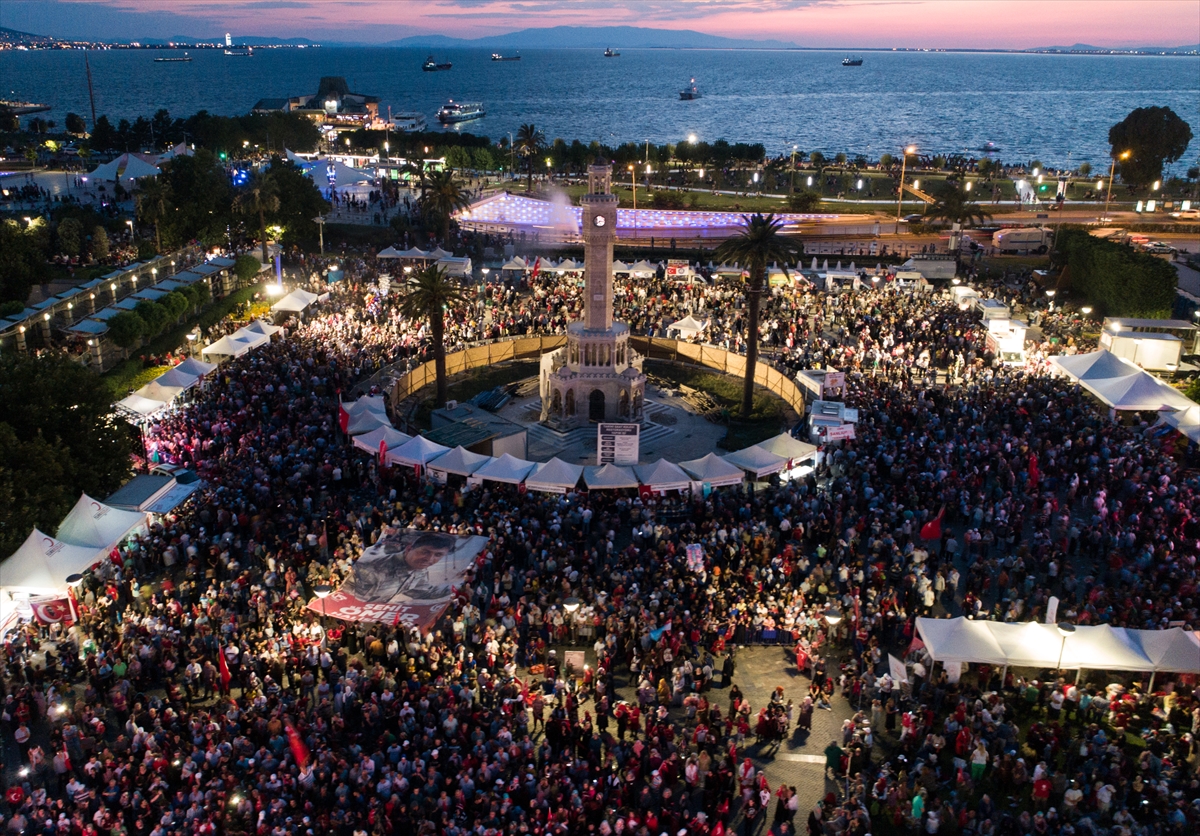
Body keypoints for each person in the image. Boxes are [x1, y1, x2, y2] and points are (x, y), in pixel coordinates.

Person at [339, 531, 458, 602]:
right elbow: (353, 602)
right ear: (409, 548)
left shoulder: (418, 569)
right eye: (425, 552)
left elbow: (424, 592)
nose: (430, 559)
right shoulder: (372, 571)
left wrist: (455, 588)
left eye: (438, 555)